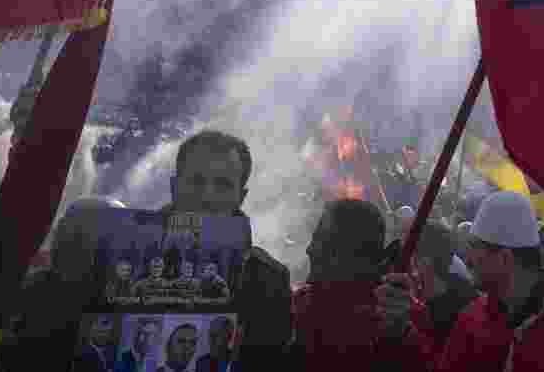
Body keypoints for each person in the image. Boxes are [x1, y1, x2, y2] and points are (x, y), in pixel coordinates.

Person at [376, 191, 544, 371]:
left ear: (505, 257)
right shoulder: (472, 319)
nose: (468, 257)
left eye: (475, 246)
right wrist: (404, 328)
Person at [165, 130, 291, 359]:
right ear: (174, 186)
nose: (207, 196)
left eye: (223, 185)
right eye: (196, 181)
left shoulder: (268, 281)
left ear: (241, 197)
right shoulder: (114, 254)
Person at [287, 198, 398, 370]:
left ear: (351, 257)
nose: (310, 249)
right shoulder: (300, 304)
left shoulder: (386, 330)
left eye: (321, 240)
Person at [409, 222, 478, 359]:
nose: (411, 262)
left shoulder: (426, 315)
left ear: (424, 262)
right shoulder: (468, 292)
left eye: (413, 254)